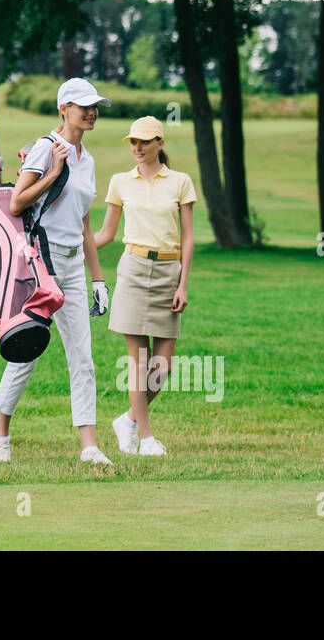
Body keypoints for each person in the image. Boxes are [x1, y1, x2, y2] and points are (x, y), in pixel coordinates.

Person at [0, 77, 114, 467]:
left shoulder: (88, 159)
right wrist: (53, 170)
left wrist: (98, 280)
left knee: (83, 358)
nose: (91, 112)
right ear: (64, 110)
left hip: (74, 264)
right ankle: (1, 436)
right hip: (41, 265)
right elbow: (16, 203)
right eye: (83, 106)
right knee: (26, 352)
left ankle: (89, 447)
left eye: (94, 106)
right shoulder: (45, 149)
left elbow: (86, 226)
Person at [92, 116, 196, 457]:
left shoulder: (180, 182)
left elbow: (187, 237)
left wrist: (183, 284)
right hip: (133, 270)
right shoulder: (121, 182)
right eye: (133, 142)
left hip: (169, 272)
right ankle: (146, 437)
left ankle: (128, 419)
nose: (137, 147)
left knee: (162, 367)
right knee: (138, 362)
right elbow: (106, 234)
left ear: (160, 144)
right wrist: (68, 246)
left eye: (144, 142)